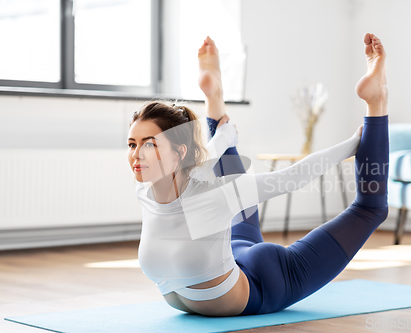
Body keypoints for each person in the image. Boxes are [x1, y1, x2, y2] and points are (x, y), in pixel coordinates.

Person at [127, 32, 389, 317]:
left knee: (370, 209)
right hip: (236, 254)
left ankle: (376, 103)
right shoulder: (150, 187)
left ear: (177, 153)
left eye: (148, 144)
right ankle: (214, 96)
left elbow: (292, 177)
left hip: (266, 280)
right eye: (132, 144)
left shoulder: (205, 191)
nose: (136, 155)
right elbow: (205, 156)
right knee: (368, 208)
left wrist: (351, 145)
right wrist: (225, 135)